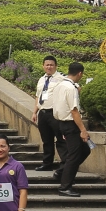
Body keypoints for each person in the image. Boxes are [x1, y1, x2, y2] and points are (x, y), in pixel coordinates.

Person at [51, 61, 88, 198]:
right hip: (70, 124)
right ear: (80, 73)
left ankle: (62, 172)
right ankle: (65, 186)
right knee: (74, 155)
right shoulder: (70, 88)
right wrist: (83, 129)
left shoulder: (60, 85)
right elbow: (74, 111)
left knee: (85, 149)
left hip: (61, 122)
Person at [32, 57, 65, 172]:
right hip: (43, 113)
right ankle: (47, 163)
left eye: (51, 65)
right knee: (46, 140)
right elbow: (38, 96)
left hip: (55, 113)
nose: (49, 67)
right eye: (47, 65)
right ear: (43, 66)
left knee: (60, 140)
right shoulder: (41, 79)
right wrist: (35, 112)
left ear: (56, 66)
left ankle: (64, 164)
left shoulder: (61, 78)